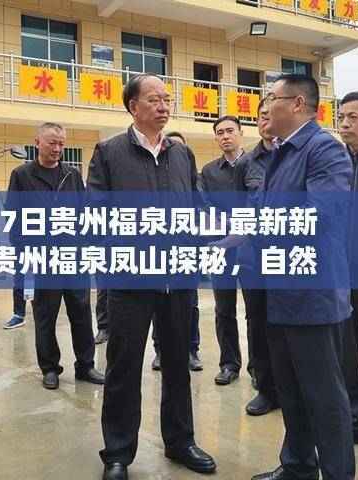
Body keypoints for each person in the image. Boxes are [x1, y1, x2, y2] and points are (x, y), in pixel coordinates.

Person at [87, 73, 216, 480]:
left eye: (167, 99)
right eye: (154, 99)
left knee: (177, 362)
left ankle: (180, 441)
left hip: (177, 278)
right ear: (133, 107)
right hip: (131, 280)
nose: (163, 106)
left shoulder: (182, 155)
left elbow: (195, 208)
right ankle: (118, 453)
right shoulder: (109, 153)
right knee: (124, 366)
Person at [252, 74, 355, 480]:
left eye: (271, 97)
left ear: (297, 104)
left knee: (324, 397)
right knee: (291, 389)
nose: (265, 106)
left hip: (313, 296)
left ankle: (337, 473)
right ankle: (297, 465)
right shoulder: (281, 152)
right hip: (281, 292)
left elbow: (322, 214)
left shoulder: (324, 149)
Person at [7, 122, 105, 390]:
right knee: (45, 317)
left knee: (81, 314)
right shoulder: (22, 175)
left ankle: (85, 365)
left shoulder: (71, 175)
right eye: (52, 143)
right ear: (37, 142)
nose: (57, 148)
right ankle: (50, 368)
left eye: (61, 144)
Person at [233, 103, 279, 416]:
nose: (267, 121)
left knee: (288, 324)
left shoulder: (297, 157)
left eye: (272, 115)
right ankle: (265, 388)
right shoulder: (246, 163)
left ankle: (290, 386)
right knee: (257, 322)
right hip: (253, 259)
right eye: (262, 116)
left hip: (289, 257)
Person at [200, 116, 254, 386]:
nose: (225, 136)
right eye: (220, 132)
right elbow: (205, 206)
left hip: (252, 249)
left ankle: (258, 368)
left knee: (255, 311)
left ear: (241, 133)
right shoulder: (209, 171)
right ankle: (229, 364)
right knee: (224, 309)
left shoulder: (256, 165)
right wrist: (230, 223)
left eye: (230, 131)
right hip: (220, 248)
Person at [151, 130, 202, 372]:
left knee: (189, 305)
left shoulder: (188, 171)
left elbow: (198, 205)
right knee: (158, 302)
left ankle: (191, 350)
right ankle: (160, 351)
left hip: (185, 249)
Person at [338, 90, 358, 444]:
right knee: (345, 344)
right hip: (344, 274)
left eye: (353, 117)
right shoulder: (338, 165)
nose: (344, 124)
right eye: (341, 117)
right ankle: (354, 410)